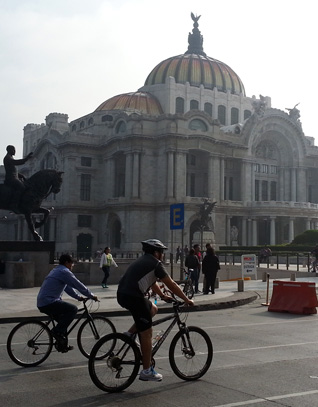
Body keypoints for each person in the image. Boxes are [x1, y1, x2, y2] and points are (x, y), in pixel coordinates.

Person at [117, 239, 194, 382]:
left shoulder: (144, 261)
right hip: (133, 296)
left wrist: (162, 295)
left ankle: (129, 334)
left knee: (153, 309)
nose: (163, 255)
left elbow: (151, 281)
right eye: (162, 252)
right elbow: (171, 284)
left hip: (123, 294)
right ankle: (146, 371)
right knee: (147, 332)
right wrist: (186, 299)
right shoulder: (155, 263)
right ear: (156, 253)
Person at [37, 254, 98, 352]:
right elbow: (77, 284)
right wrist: (91, 295)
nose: (72, 266)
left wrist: (78, 297)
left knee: (63, 321)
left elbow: (68, 288)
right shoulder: (64, 272)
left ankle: (62, 345)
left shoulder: (56, 270)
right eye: (71, 263)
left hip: (43, 301)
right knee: (73, 309)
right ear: (66, 263)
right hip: (49, 302)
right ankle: (56, 332)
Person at [3, 145, 33, 212]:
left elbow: (12, 170)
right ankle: (14, 204)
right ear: (9, 150)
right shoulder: (8, 158)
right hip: (11, 179)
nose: (15, 151)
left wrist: (21, 175)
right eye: (13, 149)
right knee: (21, 187)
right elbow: (17, 162)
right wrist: (27, 158)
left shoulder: (10, 158)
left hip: (13, 178)